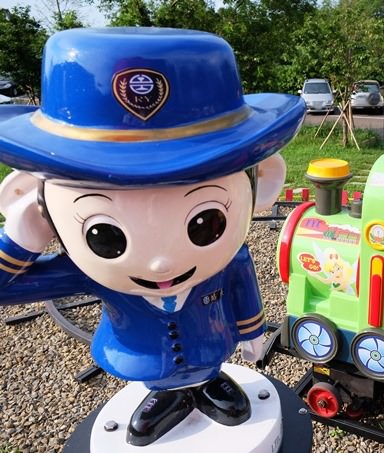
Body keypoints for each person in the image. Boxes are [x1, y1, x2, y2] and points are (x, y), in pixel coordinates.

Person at [0, 27, 305, 446]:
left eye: (206, 223)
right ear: (29, 198)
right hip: (142, 362)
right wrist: (20, 240)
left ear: (264, 184)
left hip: (212, 351)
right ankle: (167, 398)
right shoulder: (86, 274)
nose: (162, 264)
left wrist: (251, 332)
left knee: (223, 394)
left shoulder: (229, 259)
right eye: (105, 236)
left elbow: (242, 288)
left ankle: (206, 386)